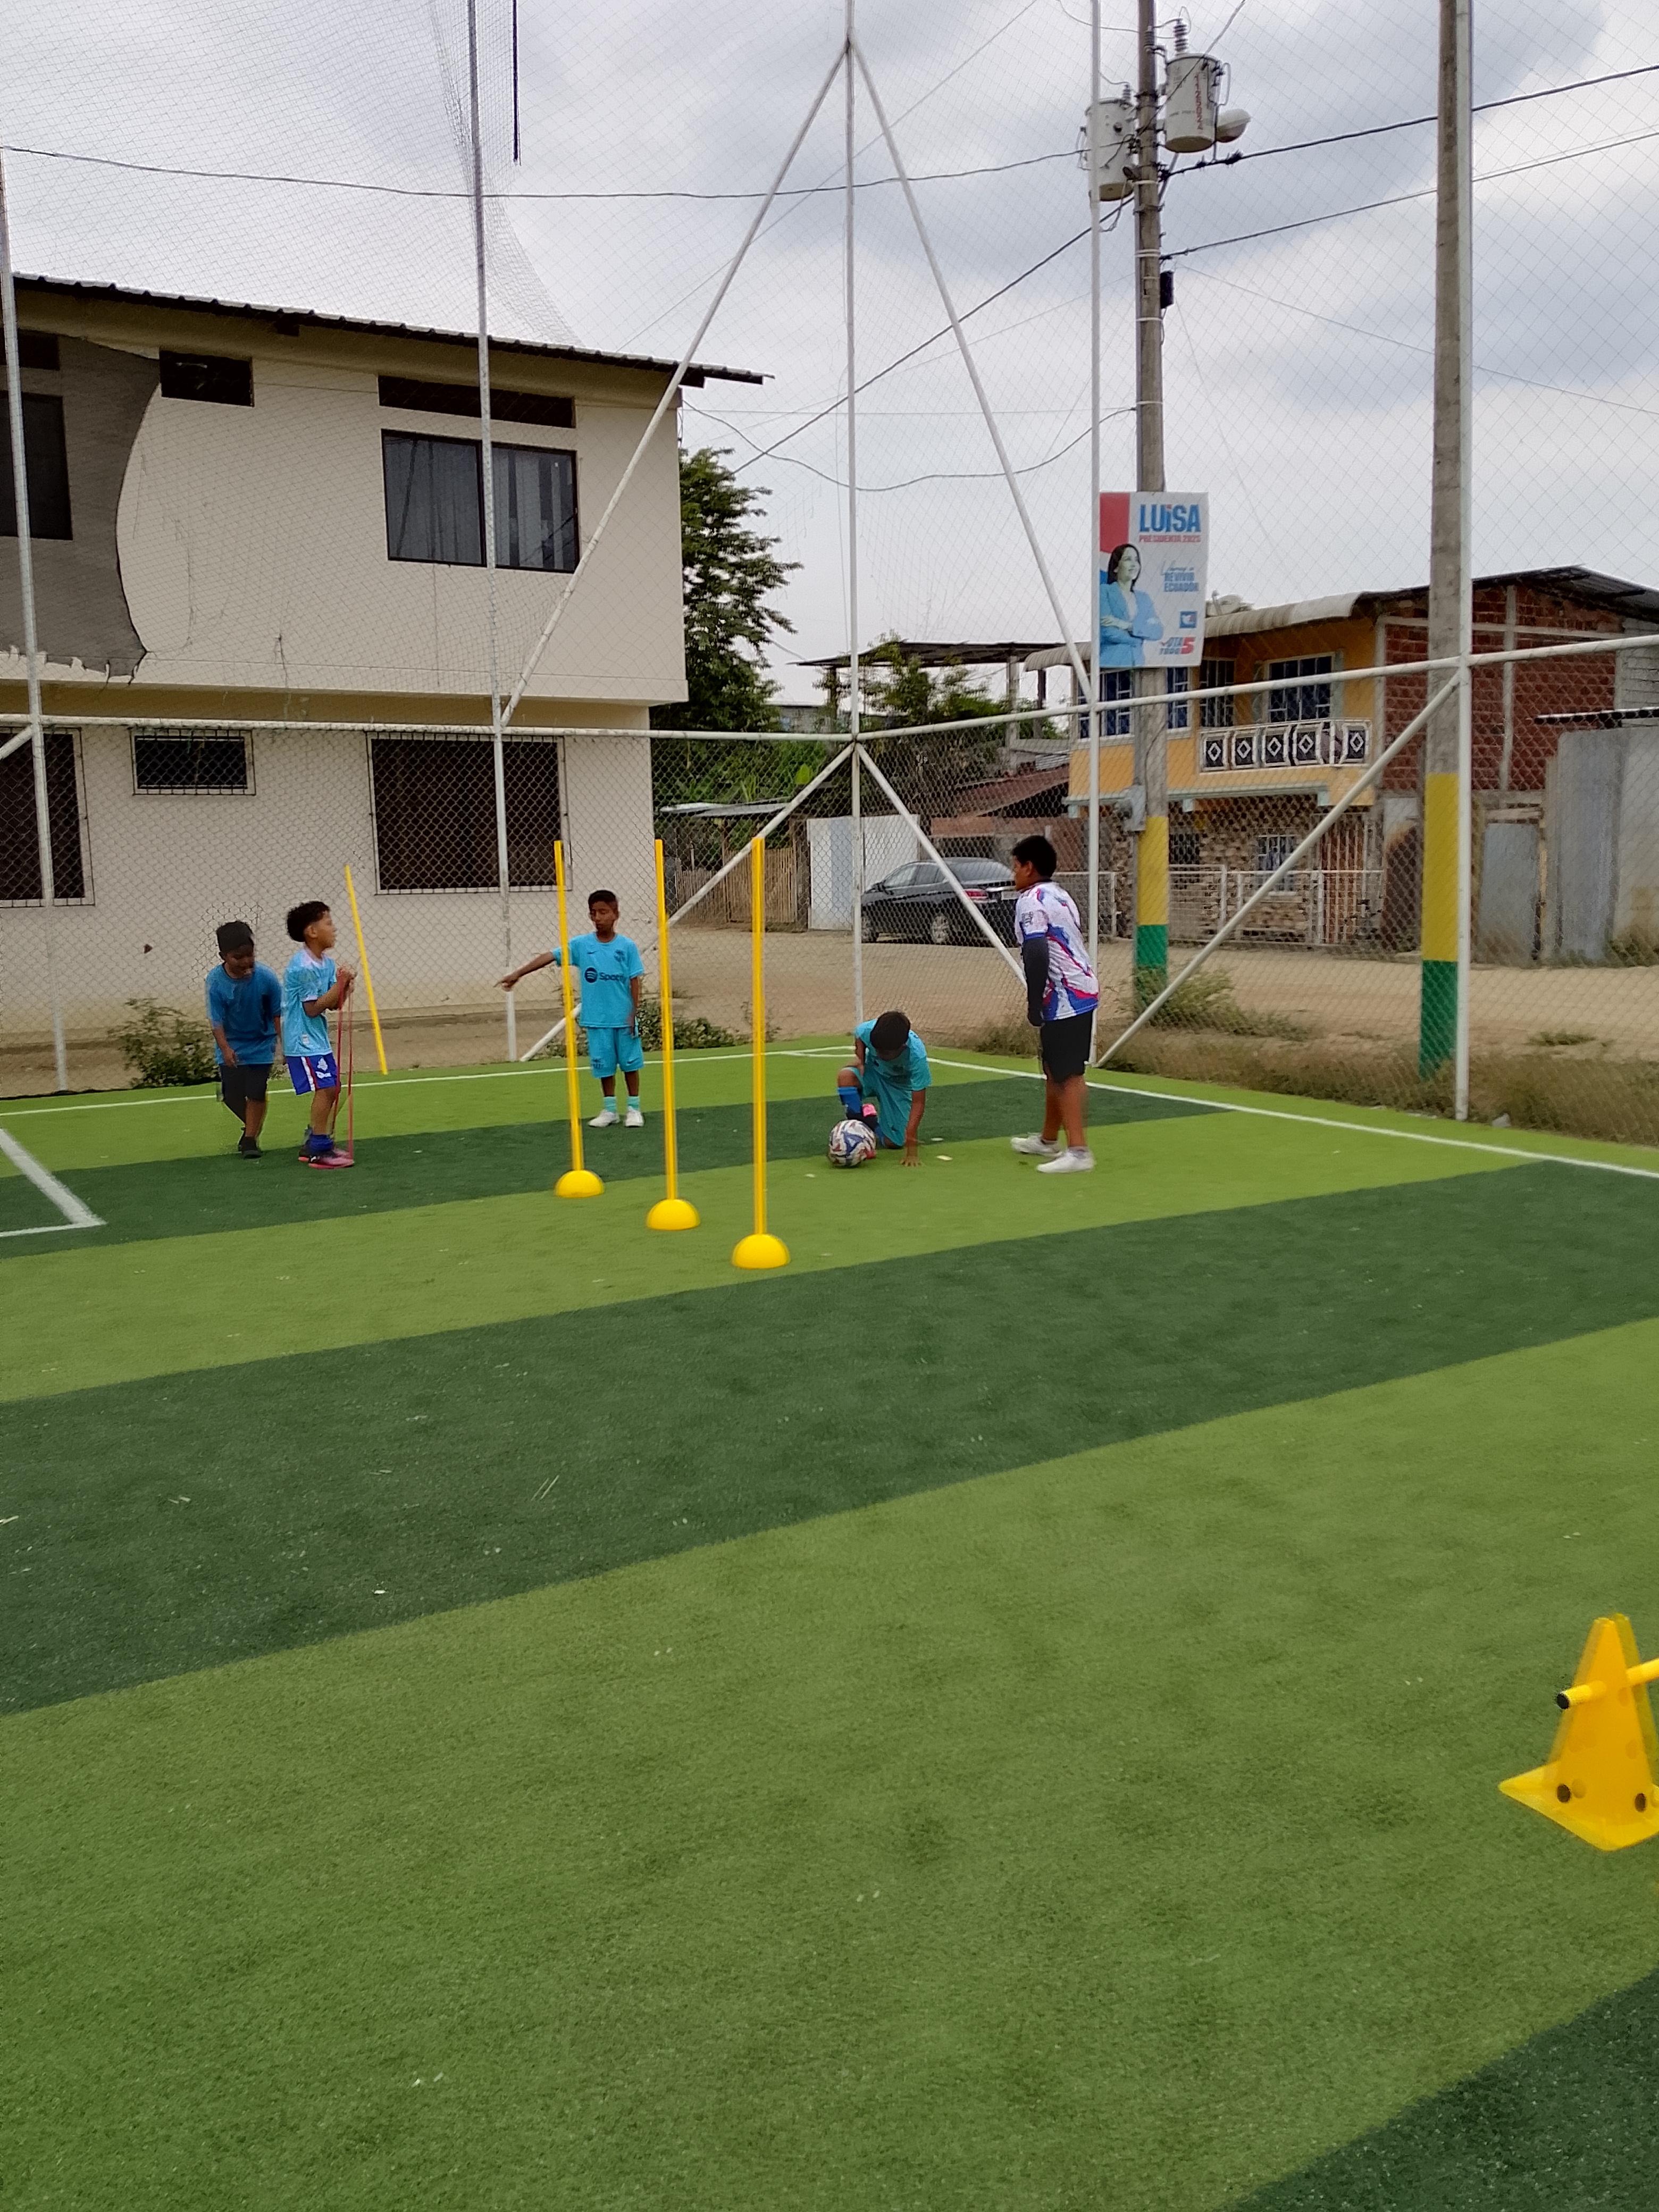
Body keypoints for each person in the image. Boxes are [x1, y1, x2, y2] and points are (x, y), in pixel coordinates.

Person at [499, 889, 646, 1127]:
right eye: (594, 913)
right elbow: (550, 956)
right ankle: (610, 1110)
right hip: (596, 1019)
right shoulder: (582, 945)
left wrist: (634, 1014)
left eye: (604, 912)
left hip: (623, 1018)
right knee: (603, 1065)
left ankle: (634, 1109)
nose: (598, 918)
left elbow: (635, 981)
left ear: (616, 914)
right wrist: (519, 973)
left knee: (630, 1064)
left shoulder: (627, 947)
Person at [1007, 834, 1099, 1174]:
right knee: (1053, 1068)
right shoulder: (1060, 894)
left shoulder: (1030, 900)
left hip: (1065, 997)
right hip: (1080, 990)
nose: (1013, 874)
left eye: (1016, 867)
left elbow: (1036, 950)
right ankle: (1048, 1141)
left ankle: (1079, 1151)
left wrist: (1034, 1002)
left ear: (1029, 868)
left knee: (1068, 1074)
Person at [282, 901, 355, 1162]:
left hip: (316, 1039)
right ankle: (319, 1147)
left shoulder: (325, 964)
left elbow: (333, 1004)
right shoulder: (304, 967)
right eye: (329, 923)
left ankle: (316, 1139)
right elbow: (312, 1008)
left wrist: (345, 988)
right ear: (312, 932)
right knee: (326, 1089)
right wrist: (339, 985)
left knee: (333, 1087)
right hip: (302, 1040)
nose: (334, 929)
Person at [205, 920, 283, 1159]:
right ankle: (252, 1124)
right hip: (232, 1044)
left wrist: (285, 1046)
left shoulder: (266, 978)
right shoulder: (215, 981)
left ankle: (250, 1140)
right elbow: (216, 1020)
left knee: (257, 1091)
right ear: (223, 956)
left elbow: (278, 1014)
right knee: (232, 1097)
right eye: (238, 958)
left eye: (250, 955)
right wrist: (225, 1048)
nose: (246, 962)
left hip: (262, 1042)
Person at [836, 1008, 929, 1164]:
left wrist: (911, 1140)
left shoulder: (917, 1057)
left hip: (897, 1087)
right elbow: (860, 1035)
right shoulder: (870, 1030)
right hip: (873, 1072)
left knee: (894, 1142)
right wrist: (861, 1059)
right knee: (846, 1077)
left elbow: (919, 1103)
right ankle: (859, 1128)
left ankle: (871, 1120)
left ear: (903, 1047)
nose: (879, 1054)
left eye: (885, 1053)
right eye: (876, 1049)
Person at [1099, 542, 1162, 671]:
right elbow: (1108, 631)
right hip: (1112, 663)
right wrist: (1137, 639)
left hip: (1137, 662)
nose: (1134, 564)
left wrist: (1125, 625)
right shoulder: (1104, 591)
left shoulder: (1144, 599)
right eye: (1128, 559)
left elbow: (1157, 630)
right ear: (1116, 568)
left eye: (1136, 560)